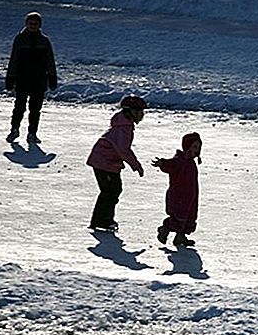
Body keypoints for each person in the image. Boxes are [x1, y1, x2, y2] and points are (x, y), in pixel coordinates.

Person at [86, 95, 146, 232]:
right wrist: (135, 165)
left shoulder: (125, 125)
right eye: (139, 112)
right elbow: (123, 150)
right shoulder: (123, 128)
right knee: (110, 191)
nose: (142, 115)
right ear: (129, 112)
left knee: (112, 190)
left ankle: (104, 220)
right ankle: (101, 220)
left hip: (109, 163)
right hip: (103, 163)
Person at [5, 12, 58, 144]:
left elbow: (50, 61)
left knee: (35, 109)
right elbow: (14, 59)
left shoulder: (44, 41)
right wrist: (10, 78)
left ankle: (32, 133)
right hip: (22, 79)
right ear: (26, 24)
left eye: (35, 24)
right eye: (30, 23)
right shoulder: (20, 39)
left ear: (39, 25)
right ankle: (14, 129)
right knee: (19, 107)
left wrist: (52, 77)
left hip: (39, 80)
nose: (33, 26)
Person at [152, 133, 202, 247]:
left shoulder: (191, 163)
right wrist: (162, 163)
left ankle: (181, 237)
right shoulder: (179, 160)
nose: (197, 150)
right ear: (187, 147)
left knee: (189, 216)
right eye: (194, 147)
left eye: (199, 148)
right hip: (178, 196)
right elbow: (170, 165)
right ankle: (165, 228)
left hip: (191, 196)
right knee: (179, 216)